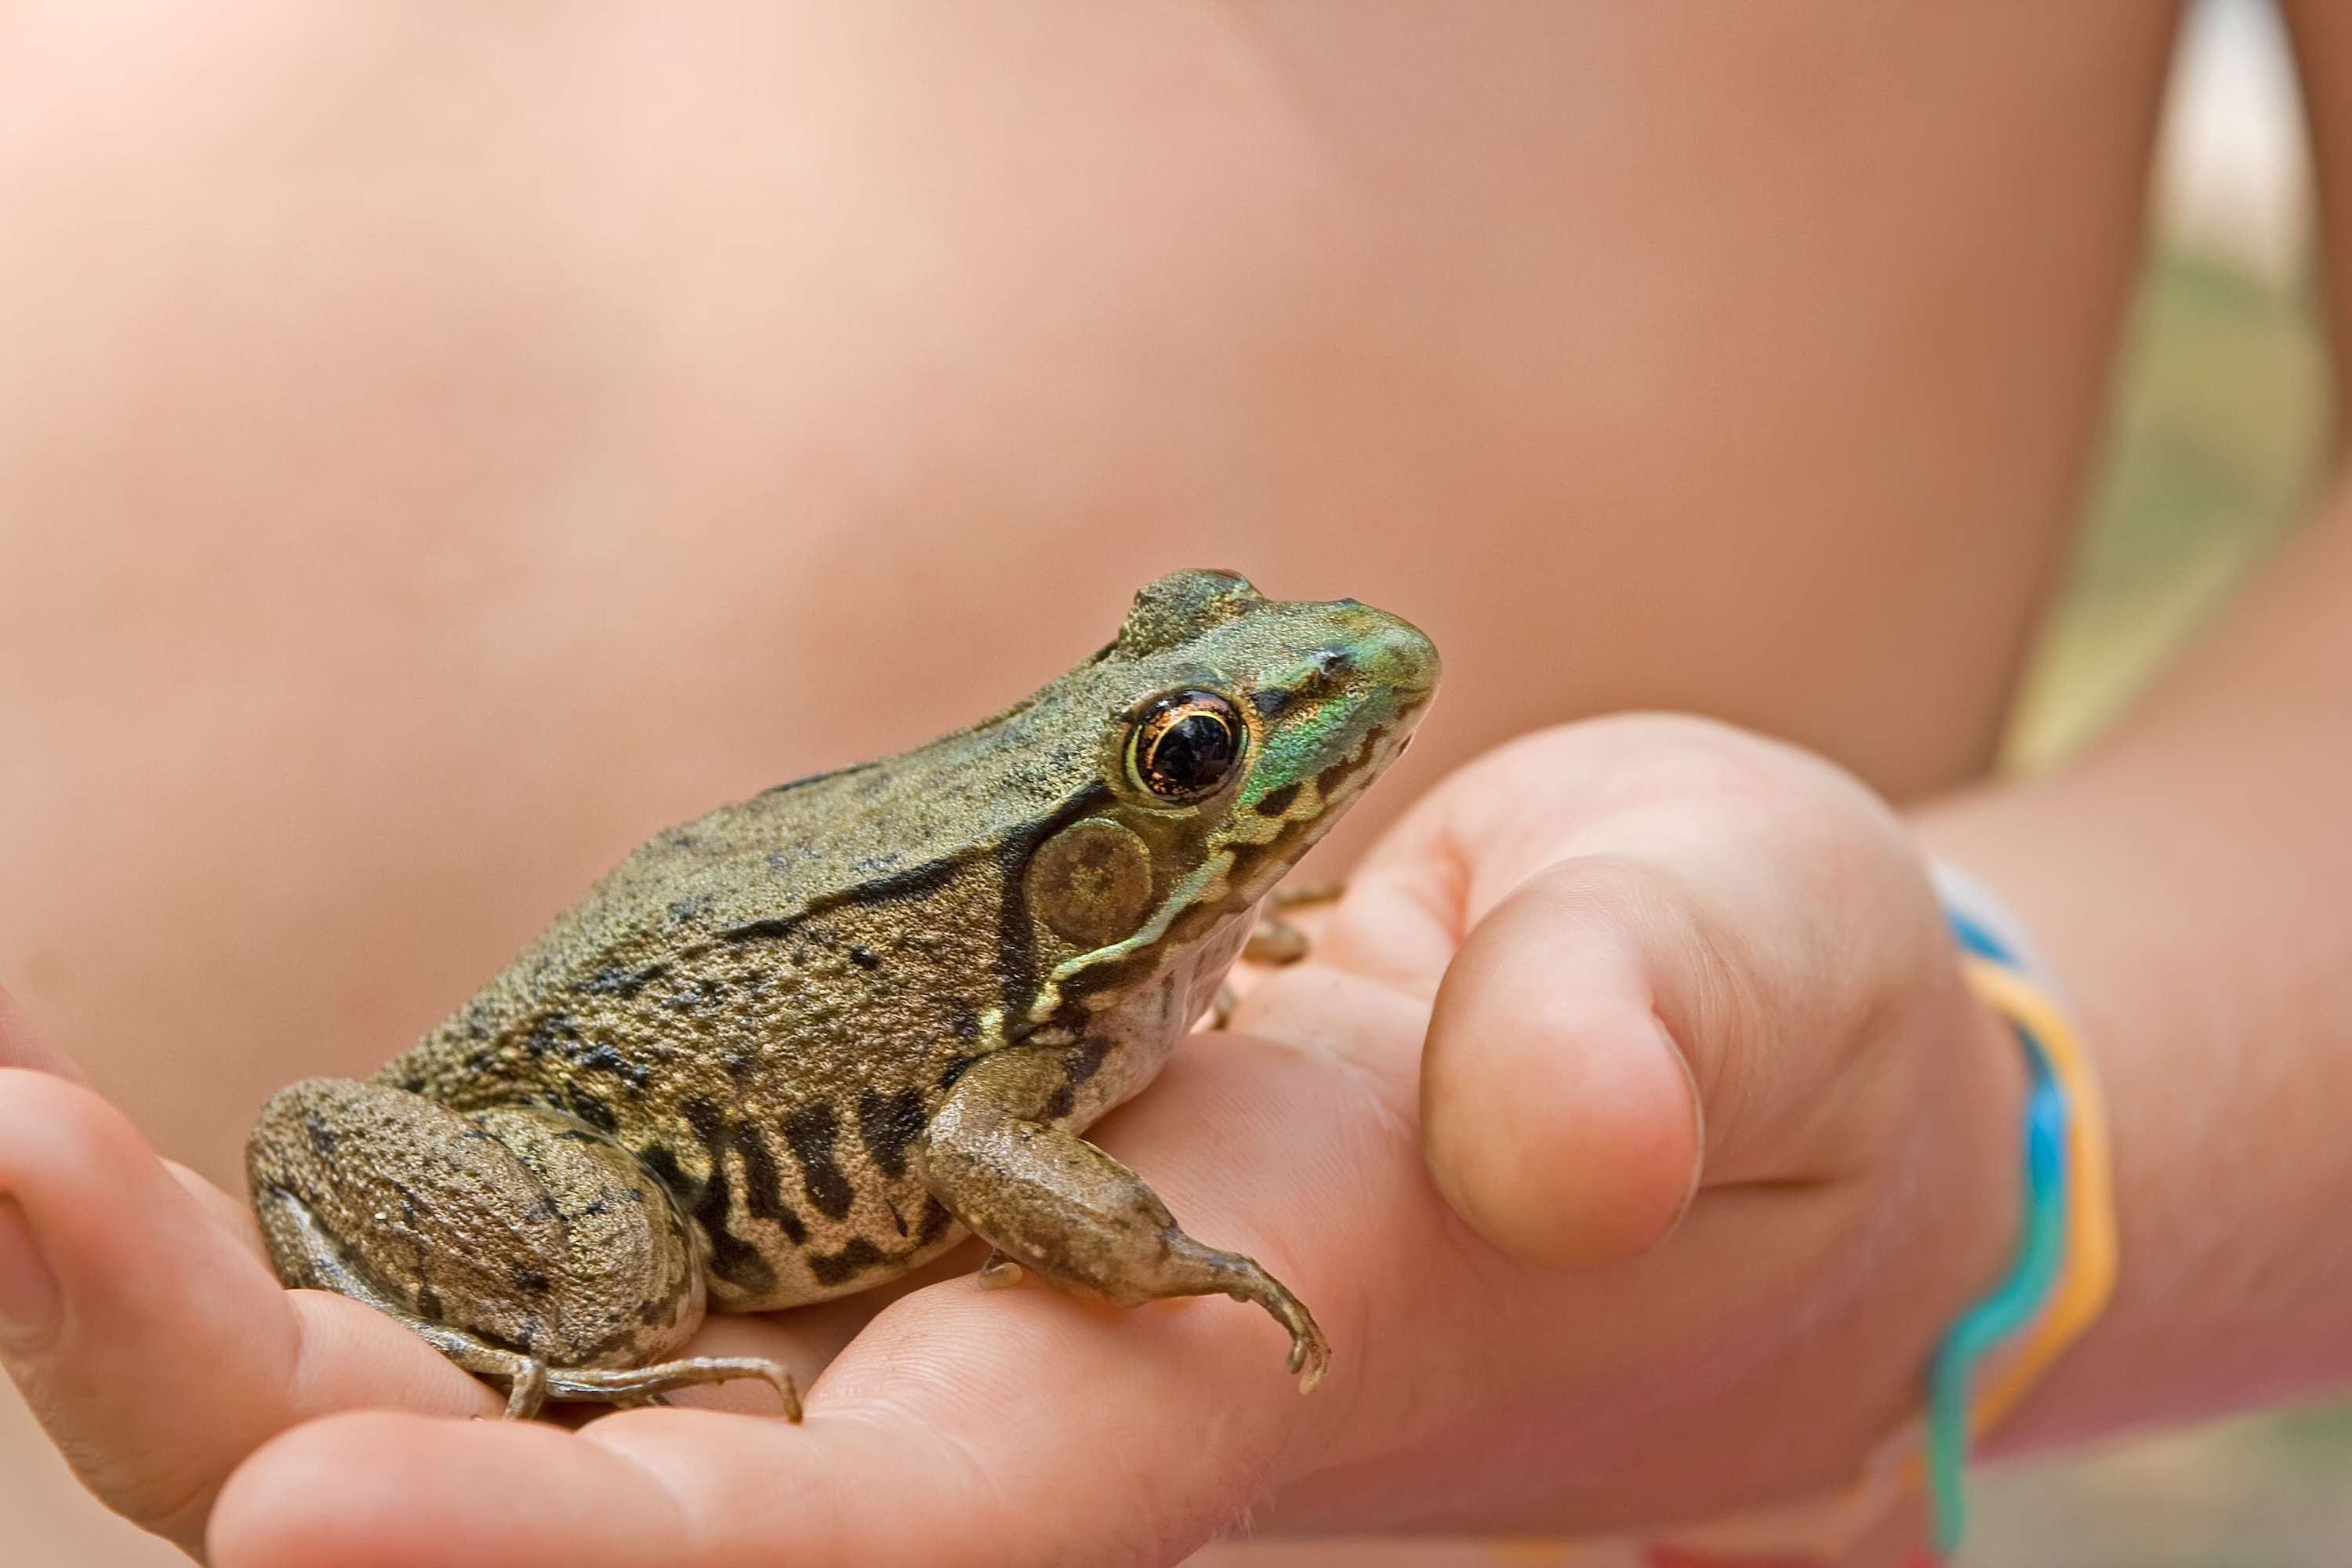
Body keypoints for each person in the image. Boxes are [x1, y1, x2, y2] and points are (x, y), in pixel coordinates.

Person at [2, 4, 2348, 1564]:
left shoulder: (1146, 943)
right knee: (612, 1263)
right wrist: (1158, 1249)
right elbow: (971, 1142)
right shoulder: (1045, 1007)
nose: (1309, 717)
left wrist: (1987, 1157)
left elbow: (966, 1138)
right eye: (1209, 749)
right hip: (541, 1201)